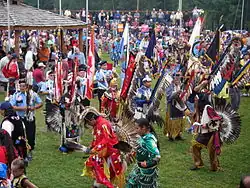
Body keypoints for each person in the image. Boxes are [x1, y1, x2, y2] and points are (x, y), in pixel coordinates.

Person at [82, 111, 125, 188]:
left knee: (112, 171)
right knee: (96, 165)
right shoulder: (96, 124)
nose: (89, 125)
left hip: (111, 151)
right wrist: (91, 146)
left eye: (88, 123)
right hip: (103, 151)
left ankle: (112, 185)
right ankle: (96, 184)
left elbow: (106, 139)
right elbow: (97, 138)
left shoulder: (103, 124)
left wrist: (95, 148)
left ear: (92, 119)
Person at [10, 79, 43, 161]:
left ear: (27, 86)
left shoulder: (32, 94)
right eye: (20, 86)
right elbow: (12, 106)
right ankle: (20, 152)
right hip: (19, 119)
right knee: (20, 136)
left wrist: (34, 108)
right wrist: (23, 108)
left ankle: (29, 152)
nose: (22, 87)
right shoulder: (16, 95)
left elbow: (40, 103)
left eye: (23, 86)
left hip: (30, 119)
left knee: (30, 136)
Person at [190, 94, 222, 171]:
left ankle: (214, 167)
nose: (196, 102)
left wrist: (207, 125)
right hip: (203, 133)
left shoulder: (208, 108)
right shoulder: (200, 109)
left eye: (197, 101)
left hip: (211, 133)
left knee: (212, 151)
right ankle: (198, 163)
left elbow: (217, 119)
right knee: (195, 146)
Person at [127, 118, 160, 188]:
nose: (135, 130)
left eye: (137, 128)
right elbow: (141, 149)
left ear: (143, 128)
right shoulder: (142, 136)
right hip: (139, 167)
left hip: (146, 171)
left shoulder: (150, 140)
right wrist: (133, 153)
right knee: (131, 183)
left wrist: (147, 164)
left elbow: (157, 157)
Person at [163, 73, 186, 141]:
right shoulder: (170, 86)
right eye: (176, 78)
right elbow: (169, 98)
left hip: (180, 106)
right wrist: (176, 93)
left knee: (180, 119)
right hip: (172, 106)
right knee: (172, 120)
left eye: (179, 79)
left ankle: (178, 135)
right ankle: (170, 136)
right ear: (173, 79)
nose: (177, 80)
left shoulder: (180, 85)